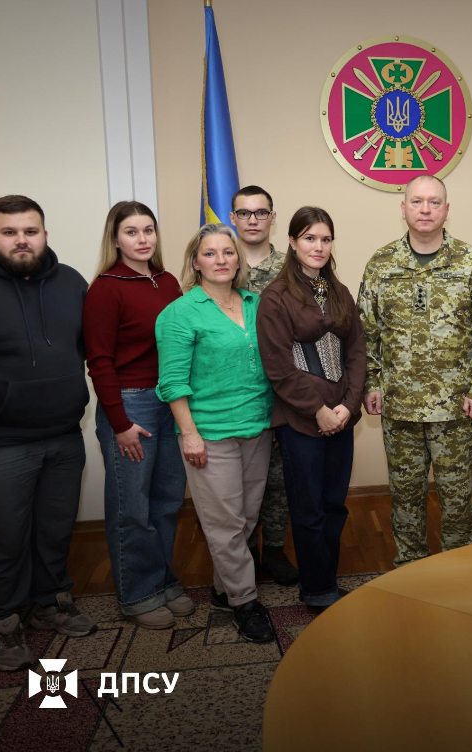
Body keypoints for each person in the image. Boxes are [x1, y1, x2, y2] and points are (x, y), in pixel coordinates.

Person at [358, 175, 472, 566]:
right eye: (417, 202)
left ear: (446, 209)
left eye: (434, 202)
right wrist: (371, 383)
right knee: (405, 496)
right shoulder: (381, 263)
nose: (425, 209)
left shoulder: (471, 262)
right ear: (403, 208)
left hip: (456, 407)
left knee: (457, 495)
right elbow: (367, 331)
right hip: (400, 405)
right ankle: (410, 566)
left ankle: (459, 569)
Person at [0, 195, 95, 672]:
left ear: (45, 234)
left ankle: (52, 601)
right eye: (9, 232)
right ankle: (5, 621)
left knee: (55, 527)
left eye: (29, 231)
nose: (21, 240)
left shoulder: (71, 282)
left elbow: (85, 348)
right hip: (2, 440)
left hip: (63, 432)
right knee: (6, 535)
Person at [155, 224, 275, 642]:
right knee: (223, 523)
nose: (221, 259)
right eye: (210, 253)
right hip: (209, 433)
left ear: (238, 260)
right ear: (195, 262)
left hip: (256, 427)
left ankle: (225, 590)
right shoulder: (179, 313)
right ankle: (245, 602)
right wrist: (189, 434)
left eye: (228, 252)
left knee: (245, 517)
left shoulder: (256, 303)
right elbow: (172, 382)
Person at [84, 201, 194, 629]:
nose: (143, 239)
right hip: (130, 405)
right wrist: (119, 423)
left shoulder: (167, 282)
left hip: (170, 402)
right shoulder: (105, 288)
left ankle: (163, 580)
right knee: (133, 507)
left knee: (166, 502)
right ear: (115, 239)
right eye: (132, 232)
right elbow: (99, 360)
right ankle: (137, 593)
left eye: (148, 230)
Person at [257, 207, 365, 608]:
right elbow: (279, 367)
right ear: (292, 242)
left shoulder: (338, 291)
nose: (318, 247)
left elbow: (356, 352)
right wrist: (319, 409)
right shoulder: (276, 297)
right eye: (309, 238)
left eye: (325, 239)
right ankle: (316, 590)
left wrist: (348, 406)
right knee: (308, 509)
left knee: (335, 505)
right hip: (301, 420)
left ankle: (329, 581)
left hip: (342, 415)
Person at [230, 185, 298, 586]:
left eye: (261, 212)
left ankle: (273, 549)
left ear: (273, 217)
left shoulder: (293, 266)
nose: (253, 220)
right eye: (244, 213)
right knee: (235, 480)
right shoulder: (219, 262)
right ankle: (241, 556)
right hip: (235, 390)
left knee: (278, 477)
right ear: (233, 218)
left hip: (284, 390)